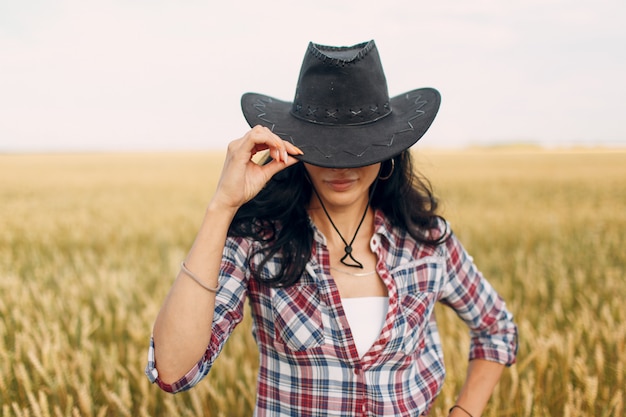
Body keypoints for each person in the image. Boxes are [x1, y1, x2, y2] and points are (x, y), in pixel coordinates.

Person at [146, 40, 518, 416]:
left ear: (389, 151)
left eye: (359, 149)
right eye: (325, 150)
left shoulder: (427, 241)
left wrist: (464, 412)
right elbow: (174, 371)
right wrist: (222, 207)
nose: (341, 167)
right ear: (294, 147)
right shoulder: (257, 242)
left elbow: (496, 327)